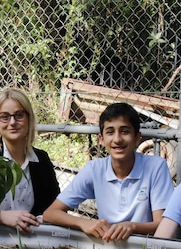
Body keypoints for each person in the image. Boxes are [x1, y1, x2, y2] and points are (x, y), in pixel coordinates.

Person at [42, 102, 173, 241]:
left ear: (137, 138)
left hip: (144, 247)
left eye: (125, 131)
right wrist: (83, 223)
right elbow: (50, 213)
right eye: (110, 132)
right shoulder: (94, 169)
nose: (117, 139)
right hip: (108, 246)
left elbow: (163, 224)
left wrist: (132, 227)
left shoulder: (156, 166)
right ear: (102, 139)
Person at [0, 88, 59, 233]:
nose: (12, 122)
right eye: (5, 116)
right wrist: (0, 216)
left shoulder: (41, 160)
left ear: (29, 119)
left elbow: (55, 206)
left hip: (33, 243)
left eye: (19, 115)